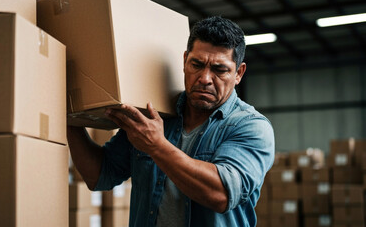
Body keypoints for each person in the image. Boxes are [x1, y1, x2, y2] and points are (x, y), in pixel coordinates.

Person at [68, 16, 275, 227]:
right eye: (197, 64)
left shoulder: (251, 126)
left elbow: (221, 194)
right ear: (185, 61)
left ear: (238, 73)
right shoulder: (155, 116)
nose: (205, 78)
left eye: (219, 70)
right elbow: (99, 176)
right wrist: (69, 118)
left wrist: (157, 145)